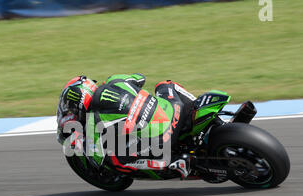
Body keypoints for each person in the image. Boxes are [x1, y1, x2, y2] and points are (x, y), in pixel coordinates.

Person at [57, 73, 198, 178]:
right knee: (165, 84)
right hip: (174, 108)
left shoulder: (94, 120)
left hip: (164, 136)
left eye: (71, 109)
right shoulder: (115, 80)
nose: (72, 112)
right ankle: (197, 108)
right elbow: (139, 78)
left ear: (79, 104)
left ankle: (174, 163)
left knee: (116, 160)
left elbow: (98, 156)